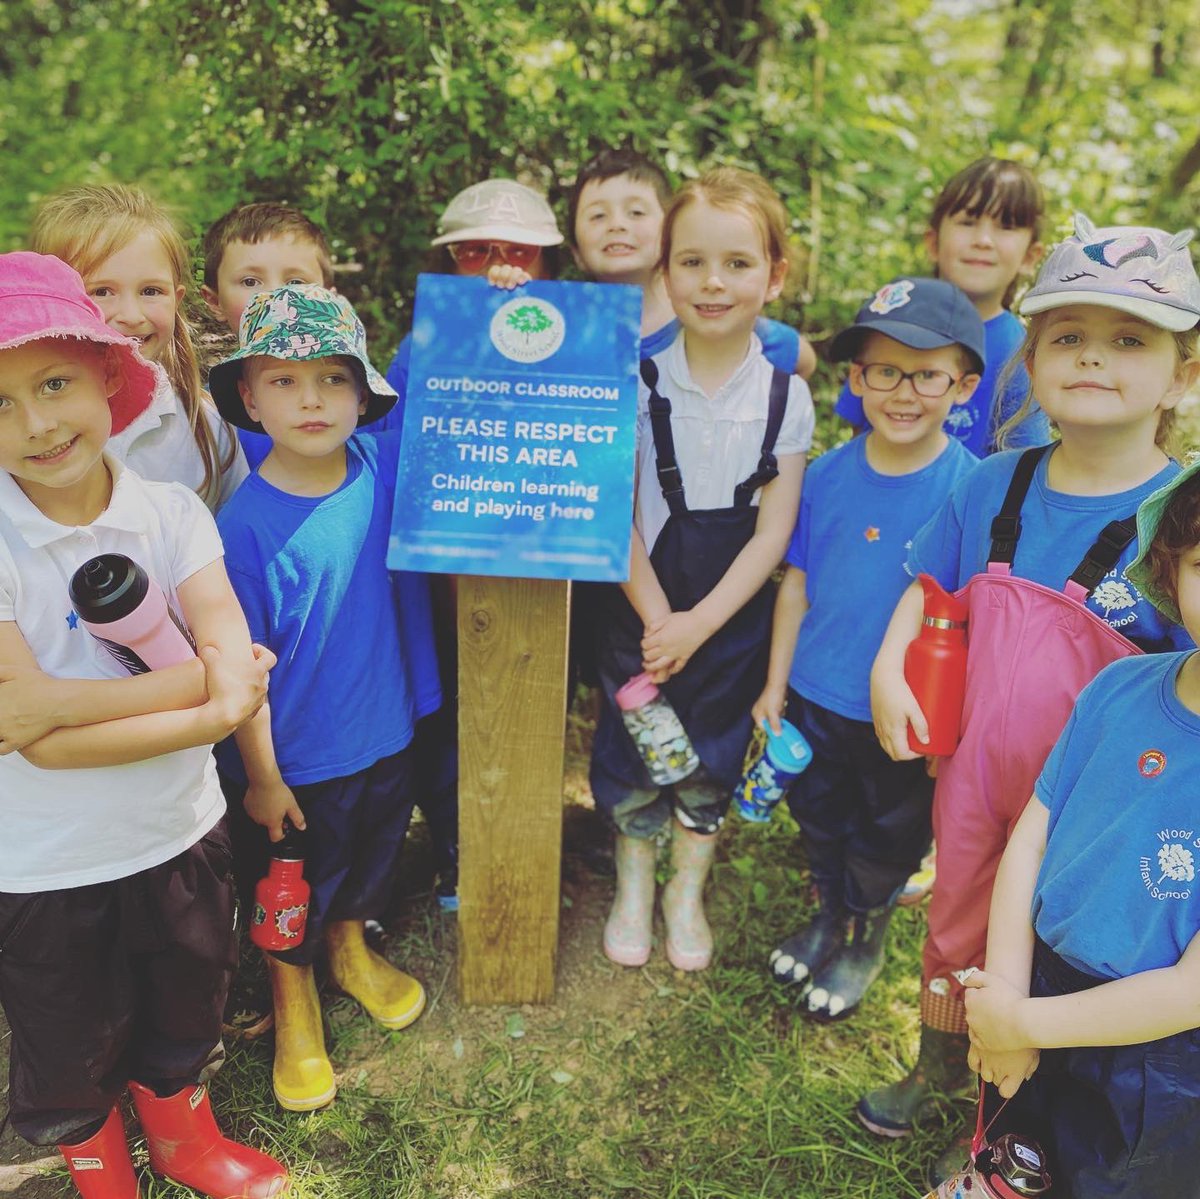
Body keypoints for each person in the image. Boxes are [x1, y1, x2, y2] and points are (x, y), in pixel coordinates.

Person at [860, 215, 1200, 1183]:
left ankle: (1028, 1102)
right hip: (975, 773)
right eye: (1068, 335)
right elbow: (934, 586)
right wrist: (890, 665)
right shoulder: (992, 483)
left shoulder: (1181, 516)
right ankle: (941, 1066)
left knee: (1060, 950)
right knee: (956, 927)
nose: (1092, 356)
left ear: (1182, 375)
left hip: (1100, 806)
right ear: (1032, 356)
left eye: (1129, 339)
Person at [0, 252, 286, 1198]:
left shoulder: (171, 514)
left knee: (185, 1001)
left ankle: (183, 1141)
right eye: (1, 403)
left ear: (105, 375)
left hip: (178, 832)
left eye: (54, 383)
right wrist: (209, 703)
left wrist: (58, 700)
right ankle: (100, 1171)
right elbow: (43, 744)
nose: (38, 423)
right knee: (66, 1038)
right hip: (44, 866)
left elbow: (226, 661)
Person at [208, 283, 426, 1112]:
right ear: (249, 398)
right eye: (285, 380)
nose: (311, 399)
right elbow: (240, 672)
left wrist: (487, 299)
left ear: (364, 395)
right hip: (293, 765)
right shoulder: (242, 529)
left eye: (334, 378)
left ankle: (350, 949)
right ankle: (291, 997)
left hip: (384, 731)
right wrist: (263, 777)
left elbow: (450, 392)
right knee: (286, 894)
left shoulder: (378, 467)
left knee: (370, 861)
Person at [591, 167, 814, 972]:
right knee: (633, 754)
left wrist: (701, 624)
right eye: (692, 262)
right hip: (640, 607)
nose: (713, 282)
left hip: (729, 616)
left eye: (737, 263)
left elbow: (773, 533)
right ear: (664, 272)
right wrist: (660, 620)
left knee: (711, 759)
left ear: (774, 276)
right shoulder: (632, 382)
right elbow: (614, 515)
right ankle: (633, 885)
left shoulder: (788, 397)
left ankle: (685, 891)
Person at [963, 456, 1200, 1197]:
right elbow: (1031, 839)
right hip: (1039, 980)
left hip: (1157, 1051)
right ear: (1169, 570)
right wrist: (1008, 996)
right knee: (1015, 1155)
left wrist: (1022, 1024)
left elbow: (1190, 990)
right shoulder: (1117, 688)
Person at [754, 277, 982, 1021]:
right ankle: (829, 914)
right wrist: (775, 685)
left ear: (963, 386)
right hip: (815, 696)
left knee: (886, 835)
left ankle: (865, 938)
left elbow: (974, 620)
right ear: (855, 379)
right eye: (885, 371)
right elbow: (797, 584)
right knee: (819, 815)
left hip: (906, 715)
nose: (904, 392)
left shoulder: (973, 492)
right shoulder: (824, 474)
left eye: (927, 374)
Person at [29, 184, 248, 510]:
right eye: (101, 291)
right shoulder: (25, 425)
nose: (131, 316)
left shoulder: (207, 424)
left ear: (177, 299)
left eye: (150, 291)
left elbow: (235, 531)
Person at [835, 157, 1049, 458]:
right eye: (967, 222)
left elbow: (1024, 462)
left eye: (1006, 226)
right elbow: (859, 432)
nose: (983, 240)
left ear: (1030, 256)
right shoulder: (892, 321)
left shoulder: (1019, 353)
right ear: (933, 243)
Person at [568, 145, 817, 378]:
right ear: (576, 252)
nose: (617, 225)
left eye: (636, 212)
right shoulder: (564, 333)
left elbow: (803, 360)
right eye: (597, 216)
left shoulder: (723, 320)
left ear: (672, 235)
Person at [200, 201, 335, 472]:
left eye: (295, 282)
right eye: (250, 282)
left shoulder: (357, 397)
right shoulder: (204, 417)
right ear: (214, 301)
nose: (276, 297)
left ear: (329, 300)